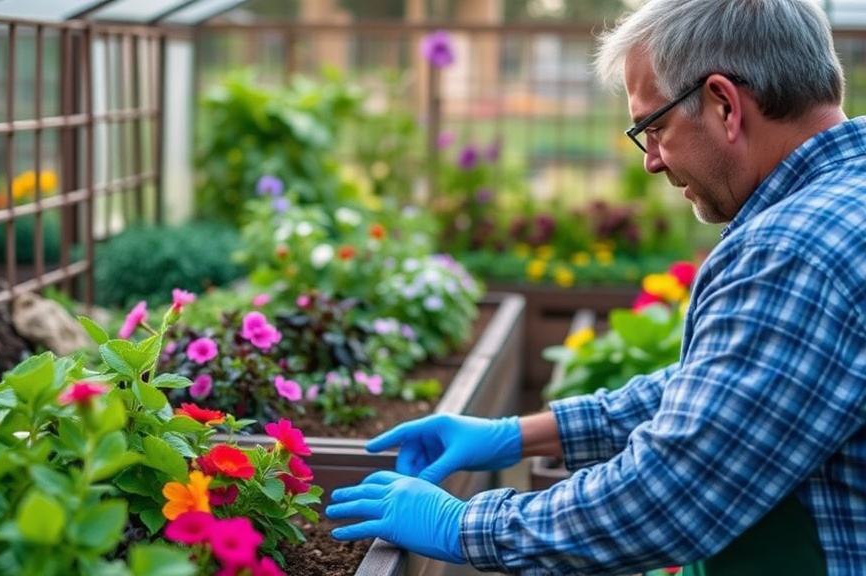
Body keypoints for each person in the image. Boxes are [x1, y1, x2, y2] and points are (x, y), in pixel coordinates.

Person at [325, 0, 866, 574]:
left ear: (724, 104)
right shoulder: (843, 199)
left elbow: (672, 495)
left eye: (655, 127)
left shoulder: (793, 249)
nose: (651, 161)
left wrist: (461, 525)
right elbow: (739, 392)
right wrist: (522, 434)